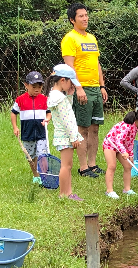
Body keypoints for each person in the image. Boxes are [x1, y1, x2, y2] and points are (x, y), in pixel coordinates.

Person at [61, 2, 108, 178]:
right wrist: (79, 88)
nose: (85, 18)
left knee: (95, 127)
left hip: (96, 88)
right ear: (72, 20)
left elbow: (96, 64)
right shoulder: (70, 38)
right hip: (82, 89)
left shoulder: (91, 38)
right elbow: (69, 66)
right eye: (81, 16)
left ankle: (92, 164)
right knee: (82, 128)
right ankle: (83, 168)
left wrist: (102, 85)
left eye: (86, 15)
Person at [45, 64, 85, 201]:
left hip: (63, 135)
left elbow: (66, 110)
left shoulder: (56, 95)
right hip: (66, 136)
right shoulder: (59, 98)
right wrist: (74, 137)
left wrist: (70, 95)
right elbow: (67, 119)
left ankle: (68, 193)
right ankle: (64, 194)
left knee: (68, 166)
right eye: (70, 82)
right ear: (63, 80)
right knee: (66, 166)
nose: (71, 85)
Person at [102, 107, 138, 199]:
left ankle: (127, 189)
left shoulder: (135, 128)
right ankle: (109, 191)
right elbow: (118, 140)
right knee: (112, 166)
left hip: (121, 146)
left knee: (128, 166)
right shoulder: (127, 126)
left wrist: (130, 155)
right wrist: (123, 152)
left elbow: (130, 142)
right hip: (110, 144)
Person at [10, 71, 52, 184]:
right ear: (26, 85)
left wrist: (47, 119)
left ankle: (44, 176)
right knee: (31, 156)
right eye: (34, 87)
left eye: (40, 86)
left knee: (42, 155)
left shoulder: (44, 99)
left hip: (41, 133)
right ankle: (36, 176)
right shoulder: (20, 100)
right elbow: (13, 113)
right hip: (27, 133)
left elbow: (49, 113)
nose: (37, 89)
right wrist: (15, 127)